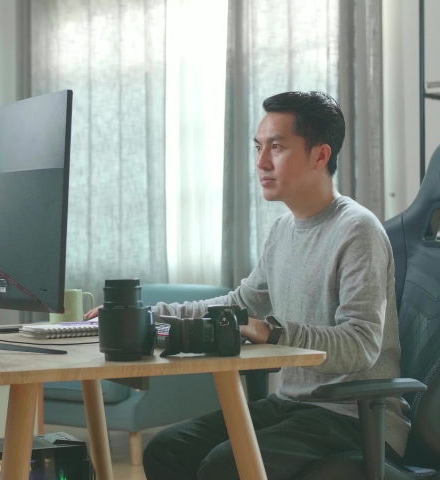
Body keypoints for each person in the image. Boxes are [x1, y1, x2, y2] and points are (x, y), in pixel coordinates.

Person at [86, 91, 409, 480]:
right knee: (167, 451)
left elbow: (361, 344)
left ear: (320, 155)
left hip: (351, 414)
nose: (261, 163)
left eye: (277, 147)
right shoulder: (283, 230)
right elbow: (239, 303)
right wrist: (144, 316)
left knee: (224, 467)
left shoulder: (358, 231)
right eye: (259, 147)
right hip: (292, 404)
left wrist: (274, 332)